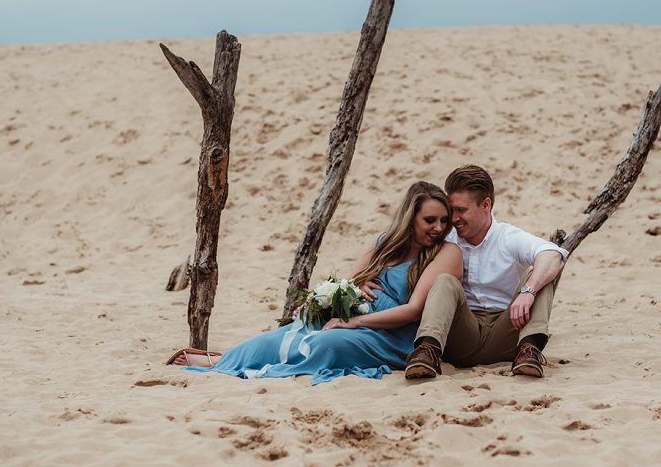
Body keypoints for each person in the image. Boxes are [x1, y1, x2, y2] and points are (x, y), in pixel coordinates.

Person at [167, 181, 462, 385]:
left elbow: (413, 311)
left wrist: (354, 323)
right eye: (430, 220)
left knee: (324, 343)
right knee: (289, 331)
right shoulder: (385, 244)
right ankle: (223, 361)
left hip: (392, 335)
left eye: (443, 221)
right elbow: (347, 283)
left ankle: (244, 367)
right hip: (353, 320)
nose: (439, 228)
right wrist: (319, 306)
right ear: (411, 219)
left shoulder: (445, 253)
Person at [403, 165, 569, 379]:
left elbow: (552, 255)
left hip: (507, 333)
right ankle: (427, 352)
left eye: (462, 210)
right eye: (452, 210)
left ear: (486, 205)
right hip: (461, 335)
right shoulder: (446, 240)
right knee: (445, 280)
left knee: (542, 274)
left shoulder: (507, 237)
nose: (454, 218)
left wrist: (528, 291)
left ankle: (529, 351)